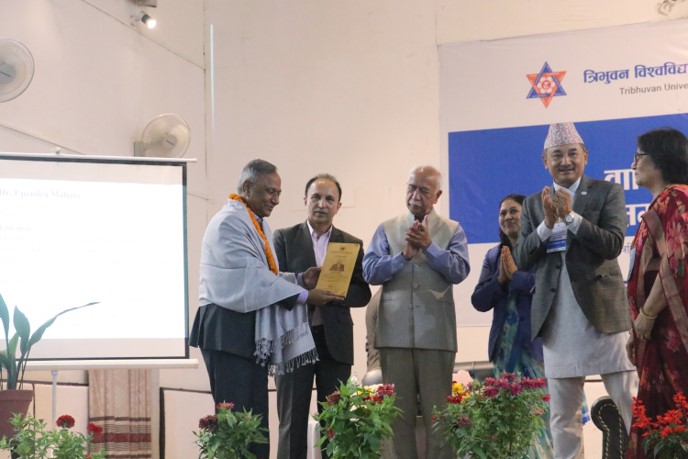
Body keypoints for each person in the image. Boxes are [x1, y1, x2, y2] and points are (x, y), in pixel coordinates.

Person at [189, 159, 341, 459]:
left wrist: (300, 278)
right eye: (270, 191)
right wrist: (304, 294)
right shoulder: (229, 222)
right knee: (236, 426)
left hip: (248, 336)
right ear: (247, 187)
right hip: (226, 332)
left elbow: (266, 275)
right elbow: (252, 279)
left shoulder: (254, 222)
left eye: (278, 193)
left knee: (256, 424)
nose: (276, 199)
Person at [513, 122, 638, 459]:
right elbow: (521, 258)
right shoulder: (533, 204)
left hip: (603, 314)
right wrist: (547, 224)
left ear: (585, 156)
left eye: (572, 154)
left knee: (630, 402)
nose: (565, 161)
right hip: (556, 319)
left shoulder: (607, 192)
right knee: (563, 416)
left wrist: (570, 218)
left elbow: (612, 244)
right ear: (545, 161)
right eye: (557, 155)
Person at [363, 165, 470, 459]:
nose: (416, 196)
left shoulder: (452, 230)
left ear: (437, 195)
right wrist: (402, 257)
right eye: (411, 188)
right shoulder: (387, 228)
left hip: (436, 336)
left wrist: (430, 247)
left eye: (424, 190)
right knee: (398, 420)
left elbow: (460, 270)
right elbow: (369, 271)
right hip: (393, 336)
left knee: (440, 419)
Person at [273, 173, 371, 459]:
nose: (322, 204)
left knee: (336, 423)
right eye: (316, 197)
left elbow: (363, 293)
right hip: (293, 338)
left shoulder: (351, 243)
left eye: (329, 199)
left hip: (335, 341)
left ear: (339, 206)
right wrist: (305, 289)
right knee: (292, 422)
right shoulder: (284, 238)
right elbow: (273, 284)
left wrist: (336, 293)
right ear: (305, 200)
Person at [471, 193, 554, 459]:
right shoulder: (494, 256)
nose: (508, 217)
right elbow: (479, 300)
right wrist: (501, 279)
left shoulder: (543, 249)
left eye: (513, 211)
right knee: (511, 426)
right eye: (502, 213)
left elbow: (545, 289)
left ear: (527, 215)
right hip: (504, 354)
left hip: (537, 351)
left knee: (541, 423)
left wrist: (515, 276)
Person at [625, 128, 688, 459]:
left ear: (660, 159)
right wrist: (636, 329)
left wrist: (647, 315)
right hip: (655, 333)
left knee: (674, 423)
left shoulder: (676, 197)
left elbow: (677, 262)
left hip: (671, 332)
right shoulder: (661, 203)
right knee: (663, 426)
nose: (633, 164)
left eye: (638, 156)